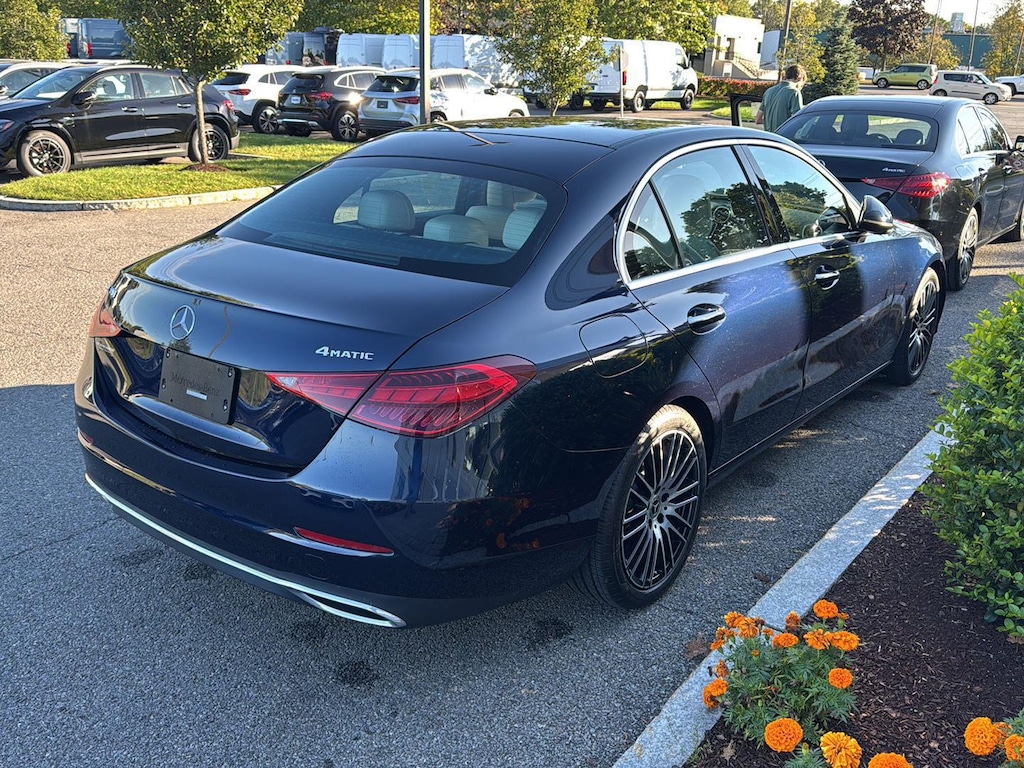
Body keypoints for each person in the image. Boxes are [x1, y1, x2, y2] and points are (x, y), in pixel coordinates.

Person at [757, 65, 807, 133]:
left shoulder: (769, 91)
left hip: (769, 137)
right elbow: (798, 120)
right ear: (800, 78)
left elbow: (758, 119)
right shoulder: (794, 92)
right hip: (783, 137)